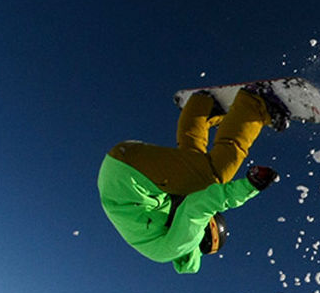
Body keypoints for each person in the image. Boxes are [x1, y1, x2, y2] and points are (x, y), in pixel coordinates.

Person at [98, 85, 289, 274]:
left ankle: (255, 103)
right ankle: (201, 108)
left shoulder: (177, 246)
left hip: (130, 176)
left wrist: (250, 187)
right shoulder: (162, 242)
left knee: (214, 177)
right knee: (194, 169)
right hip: (119, 166)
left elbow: (197, 209)